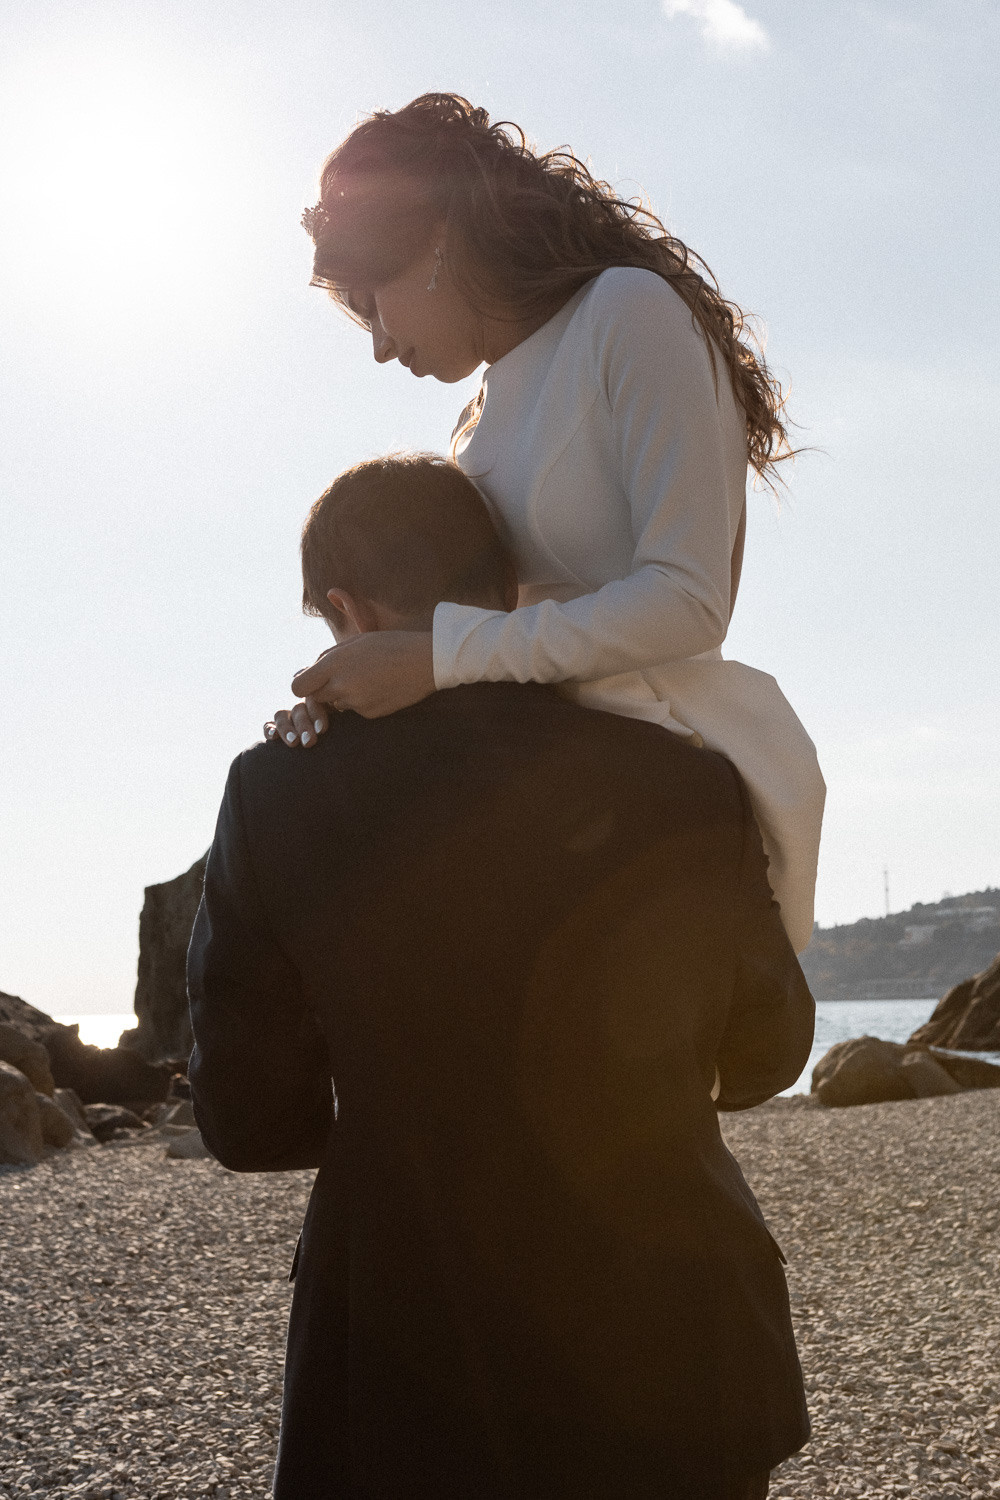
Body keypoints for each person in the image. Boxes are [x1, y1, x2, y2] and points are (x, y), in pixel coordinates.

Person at [188, 452, 814, 1500]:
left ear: (344, 606)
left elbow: (247, 1122)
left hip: (404, 1346)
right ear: (510, 593)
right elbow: (765, 1054)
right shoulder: (683, 776)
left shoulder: (277, 793)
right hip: (678, 1338)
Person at [282, 91, 826, 954]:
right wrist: (338, 700)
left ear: (431, 240)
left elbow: (691, 601)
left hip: (649, 778)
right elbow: (472, 640)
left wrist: (437, 658)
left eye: (372, 299)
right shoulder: (476, 419)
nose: (379, 344)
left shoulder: (629, 313)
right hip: (524, 780)